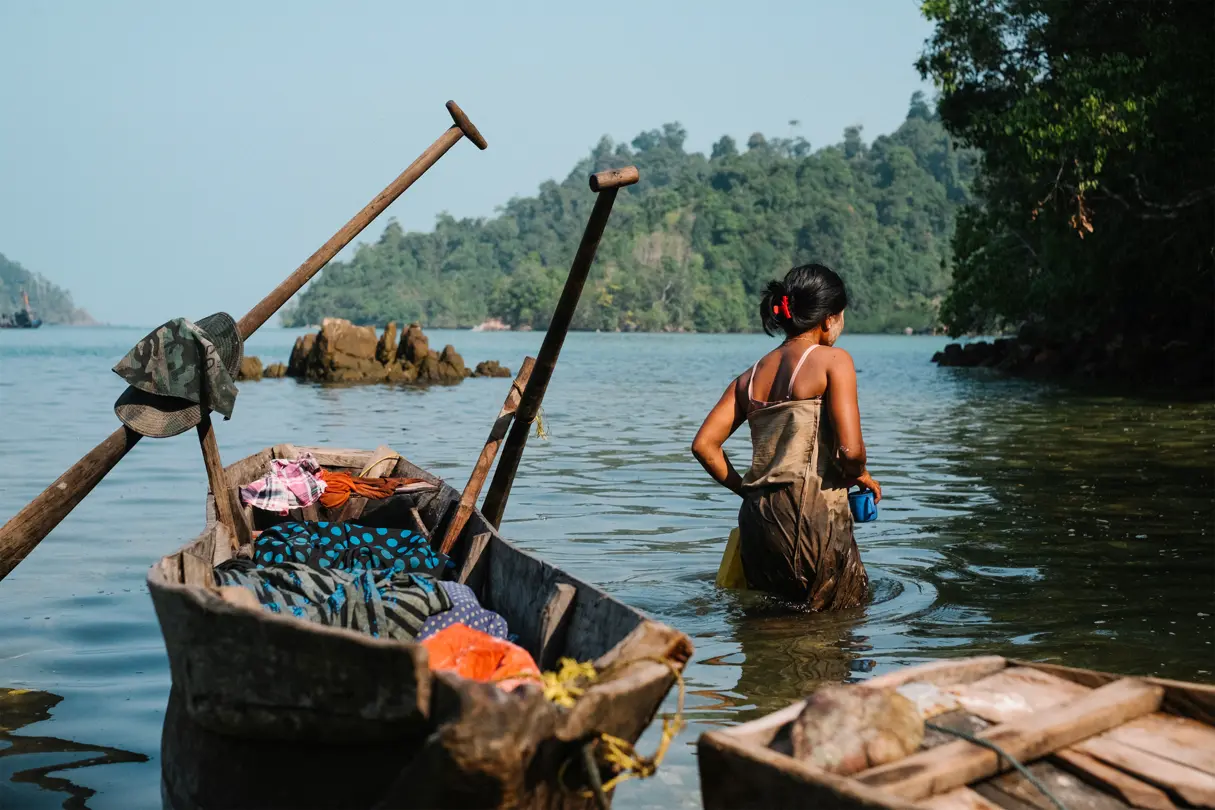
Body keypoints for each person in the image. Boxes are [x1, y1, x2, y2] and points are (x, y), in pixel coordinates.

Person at [692, 264, 880, 609]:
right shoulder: (833, 361)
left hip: (756, 522)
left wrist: (748, 491)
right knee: (834, 626)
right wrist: (860, 476)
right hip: (811, 520)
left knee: (768, 621)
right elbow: (851, 451)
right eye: (841, 317)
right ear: (828, 319)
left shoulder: (749, 377)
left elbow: (704, 446)